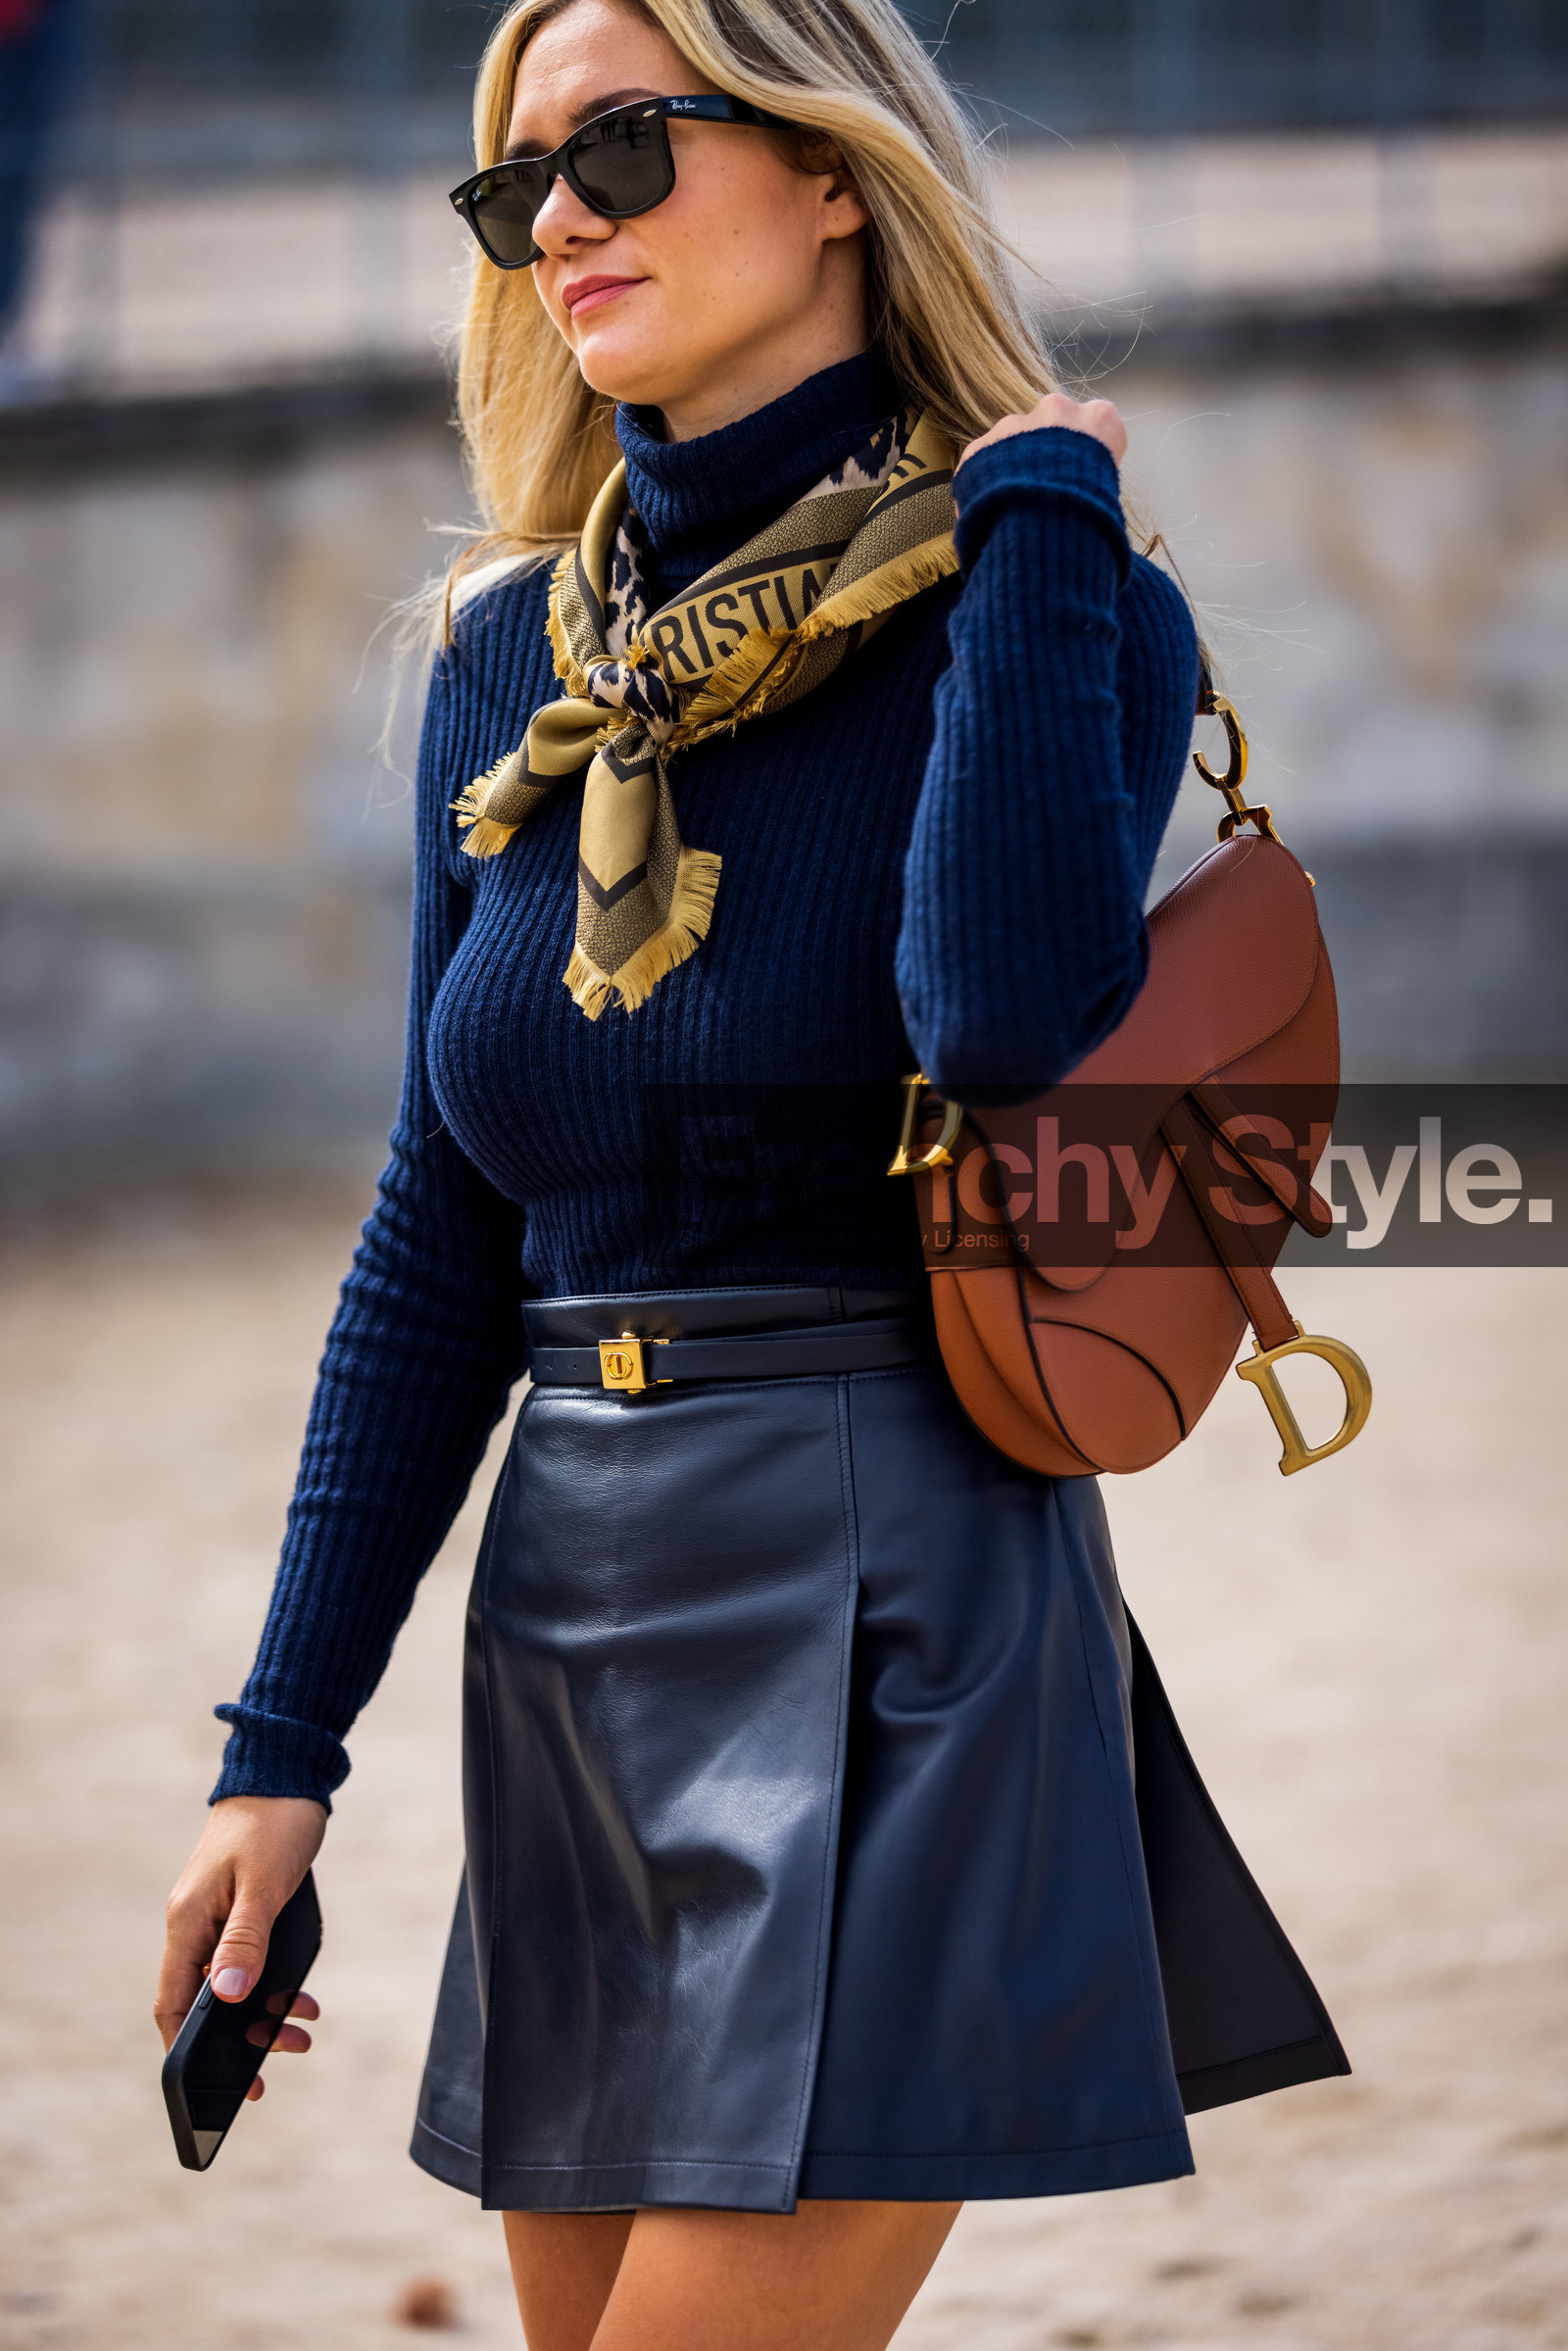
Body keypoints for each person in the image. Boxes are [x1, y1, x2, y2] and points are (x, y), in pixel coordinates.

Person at [156, 3, 1347, 2345]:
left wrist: (1027, 523)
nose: (560, 227)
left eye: (621, 147)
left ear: (829, 168)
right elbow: (439, 1220)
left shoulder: (1053, 593)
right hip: (572, 1615)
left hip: (893, 1596)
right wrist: (276, 1757)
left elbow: (993, 1023)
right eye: (518, 189)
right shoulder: (517, 664)